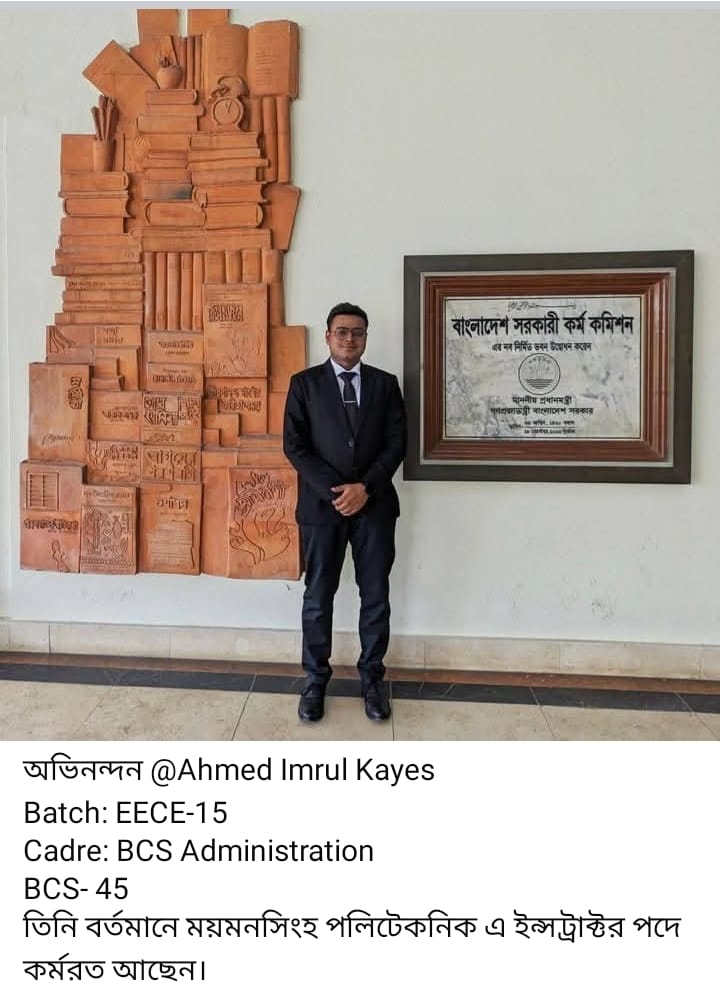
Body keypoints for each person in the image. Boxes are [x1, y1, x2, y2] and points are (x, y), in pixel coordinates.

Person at [283, 302, 407, 722]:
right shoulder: (304, 384)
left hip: (375, 508)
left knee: (376, 596)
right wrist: (338, 491)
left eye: (357, 332)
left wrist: (365, 488)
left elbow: (397, 443)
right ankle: (315, 680)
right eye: (341, 332)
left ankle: (372, 680)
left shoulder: (386, 385)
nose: (349, 339)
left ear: (366, 337)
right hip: (322, 509)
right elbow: (294, 445)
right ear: (328, 336)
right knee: (318, 596)